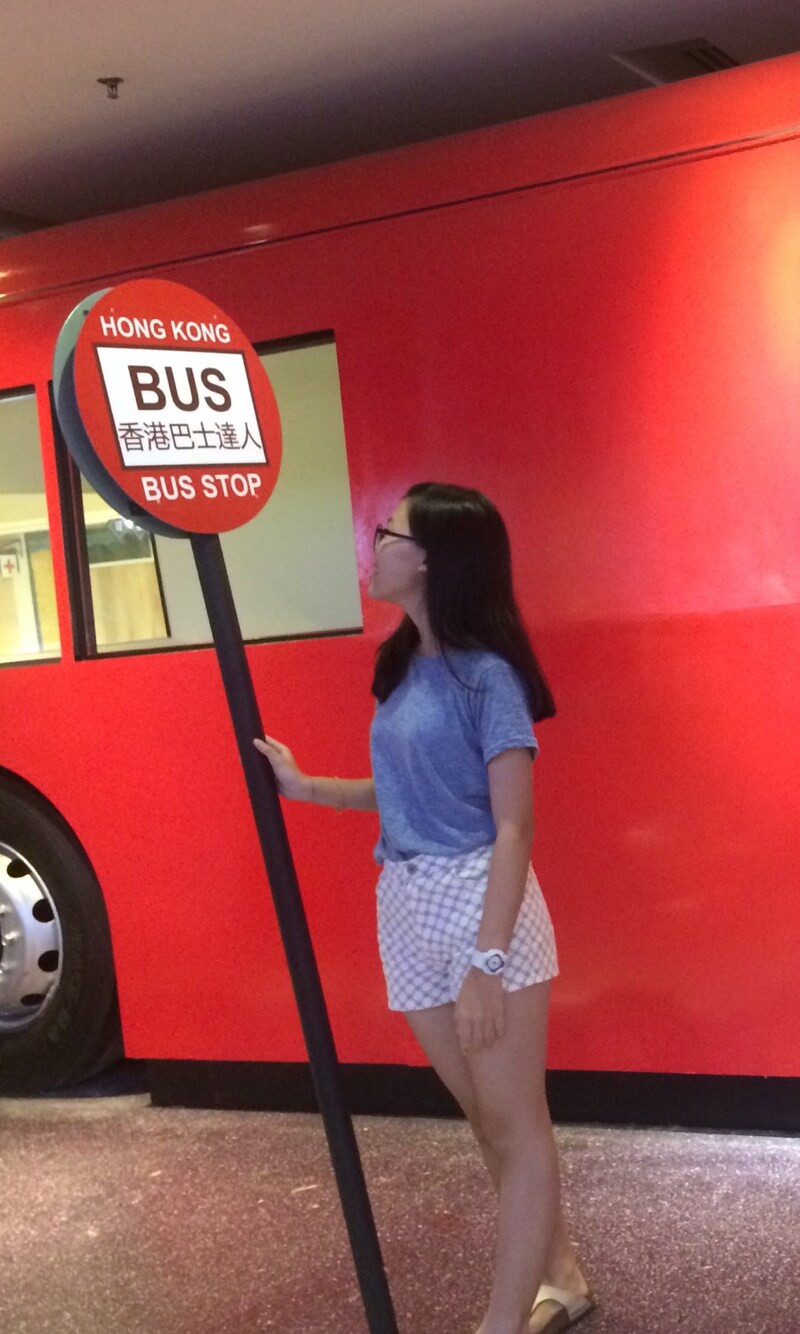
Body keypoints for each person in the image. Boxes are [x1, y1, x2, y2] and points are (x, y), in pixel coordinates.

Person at [254, 482, 594, 1334]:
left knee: (515, 1127)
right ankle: (562, 1278)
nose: (374, 545)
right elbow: (408, 793)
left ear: (433, 559)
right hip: (406, 904)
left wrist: (487, 961)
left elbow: (513, 826)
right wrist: (307, 787)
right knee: (489, 1120)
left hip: (483, 905)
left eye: (389, 533)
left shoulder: (490, 679)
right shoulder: (402, 665)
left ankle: (501, 1323)